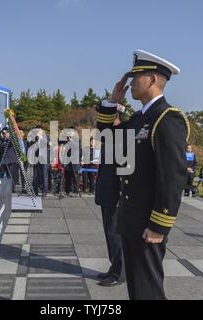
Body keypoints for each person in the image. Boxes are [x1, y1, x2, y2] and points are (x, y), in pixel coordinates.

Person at [97, 50, 189, 299]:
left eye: (136, 76)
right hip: (131, 219)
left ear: (153, 79)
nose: (130, 83)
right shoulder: (140, 117)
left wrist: (159, 225)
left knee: (148, 290)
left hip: (148, 223)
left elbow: (173, 178)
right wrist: (112, 103)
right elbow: (110, 138)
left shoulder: (167, 118)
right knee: (137, 290)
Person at [95, 110, 125, 287]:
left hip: (115, 194)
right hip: (106, 192)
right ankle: (114, 266)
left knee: (115, 234)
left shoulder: (122, 139)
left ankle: (119, 273)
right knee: (109, 233)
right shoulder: (110, 138)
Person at [0, 127, 19, 192]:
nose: (4, 134)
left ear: (9, 133)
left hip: (10, 160)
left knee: (10, 175)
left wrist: (6, 139)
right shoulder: (1, 139)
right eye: (3, 133)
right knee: (0, 175)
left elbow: (8, 145)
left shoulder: (12, 139)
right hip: (2, 160)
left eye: (6, 133)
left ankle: (11, 189)